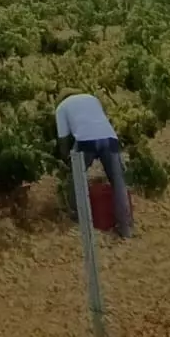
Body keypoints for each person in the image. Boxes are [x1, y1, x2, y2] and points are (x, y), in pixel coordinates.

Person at [56, 92, 133, 238]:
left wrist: (65, 159)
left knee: (76, 178)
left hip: (86, 140)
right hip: (110, 138)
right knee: (118, 182)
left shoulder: (61, 108)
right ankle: (125, 228)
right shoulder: (92, 99)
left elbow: (63, 139)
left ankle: (77, 219)